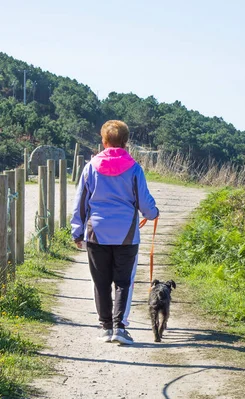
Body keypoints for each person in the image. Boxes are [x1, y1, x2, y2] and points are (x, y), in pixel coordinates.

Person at [71, 120, 159, 344]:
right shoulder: (135, 169)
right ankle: (120, 327)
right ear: (126, 142)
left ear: (103, 141)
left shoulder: (90, 167)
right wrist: (153, 213)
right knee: (123, 282)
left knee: (100, 281)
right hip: (126, 235)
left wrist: (77, 231)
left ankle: (105, 327)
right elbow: (145, 205)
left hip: (96, 233)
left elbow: (80, 201)